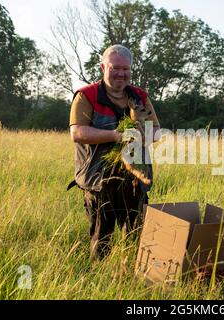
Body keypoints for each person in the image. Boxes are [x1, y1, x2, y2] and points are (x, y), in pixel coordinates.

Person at [68, 44, 160, 259]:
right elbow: (78, 133)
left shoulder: (139, 96)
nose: (121, 73)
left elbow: (157, 131)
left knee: (137, 234)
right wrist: (116, 136)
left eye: (126, 69)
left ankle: (132, 277)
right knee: (102, 238)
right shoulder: (87, 95)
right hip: (98, 180)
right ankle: (100, 279)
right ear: (103, 67)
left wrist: (139, 137)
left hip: (135, 179)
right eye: (115, 68)